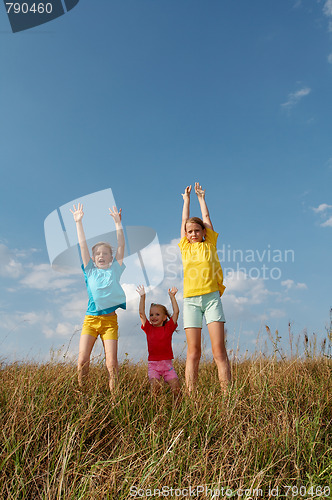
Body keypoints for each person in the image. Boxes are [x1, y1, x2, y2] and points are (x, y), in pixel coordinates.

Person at [179, 182, 231, 392]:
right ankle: (192, 398)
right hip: (191, 301)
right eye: (189, 231)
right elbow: (184, 221)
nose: (193, 234)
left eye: (196, 231)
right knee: (194, 353)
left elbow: (207, 219)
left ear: (203, 232)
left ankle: (228, 396)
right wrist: (186, 201)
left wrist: (201, 198)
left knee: (219, 351)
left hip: (211, 299)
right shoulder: (184, 247)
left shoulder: (209, 244)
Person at [70, 202, 126, 393]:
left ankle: (115, 398)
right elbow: (83, 246)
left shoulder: (115, 270)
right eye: (98, 254)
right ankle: (82, 394)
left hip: (110, 321)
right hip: (91, 320)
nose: (101, 255)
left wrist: (118, 224)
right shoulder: (90, 271)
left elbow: (121, 245)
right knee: (82, 360)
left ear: (111, 258)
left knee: (111, 363)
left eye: (105, 253)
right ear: (93, 258)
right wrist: (79, 222)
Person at [136, 285, 180, 397]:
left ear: (165, 317)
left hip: (168, 366)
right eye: (151, 315)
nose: (153, 317)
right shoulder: (148, 329)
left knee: (176, 389)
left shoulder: (168, 328)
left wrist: (172, 297)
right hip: (153, 366)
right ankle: (155, 410)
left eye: (157, 314)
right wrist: (142, 297)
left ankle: (177, 409)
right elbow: (141, 313)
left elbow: (176, 313)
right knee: (155, 389)